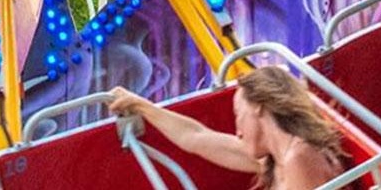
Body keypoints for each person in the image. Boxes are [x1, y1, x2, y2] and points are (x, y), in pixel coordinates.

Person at [109, 68, 345, 190]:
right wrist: (142, 106)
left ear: (258, 106)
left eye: (238, 115)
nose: (238, 130)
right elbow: (195, 136)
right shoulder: (274, 160)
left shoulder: (300, 157)